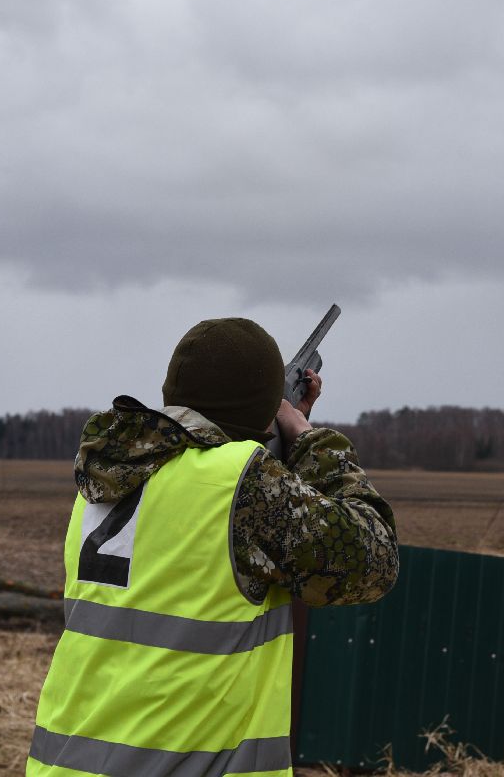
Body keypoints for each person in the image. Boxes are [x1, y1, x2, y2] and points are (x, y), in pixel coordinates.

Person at [27, 317, 399, 777]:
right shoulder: (245, 486)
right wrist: (307, 438)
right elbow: (373, 558)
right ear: (263, 410)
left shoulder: (108, 479)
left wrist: (271, 443)